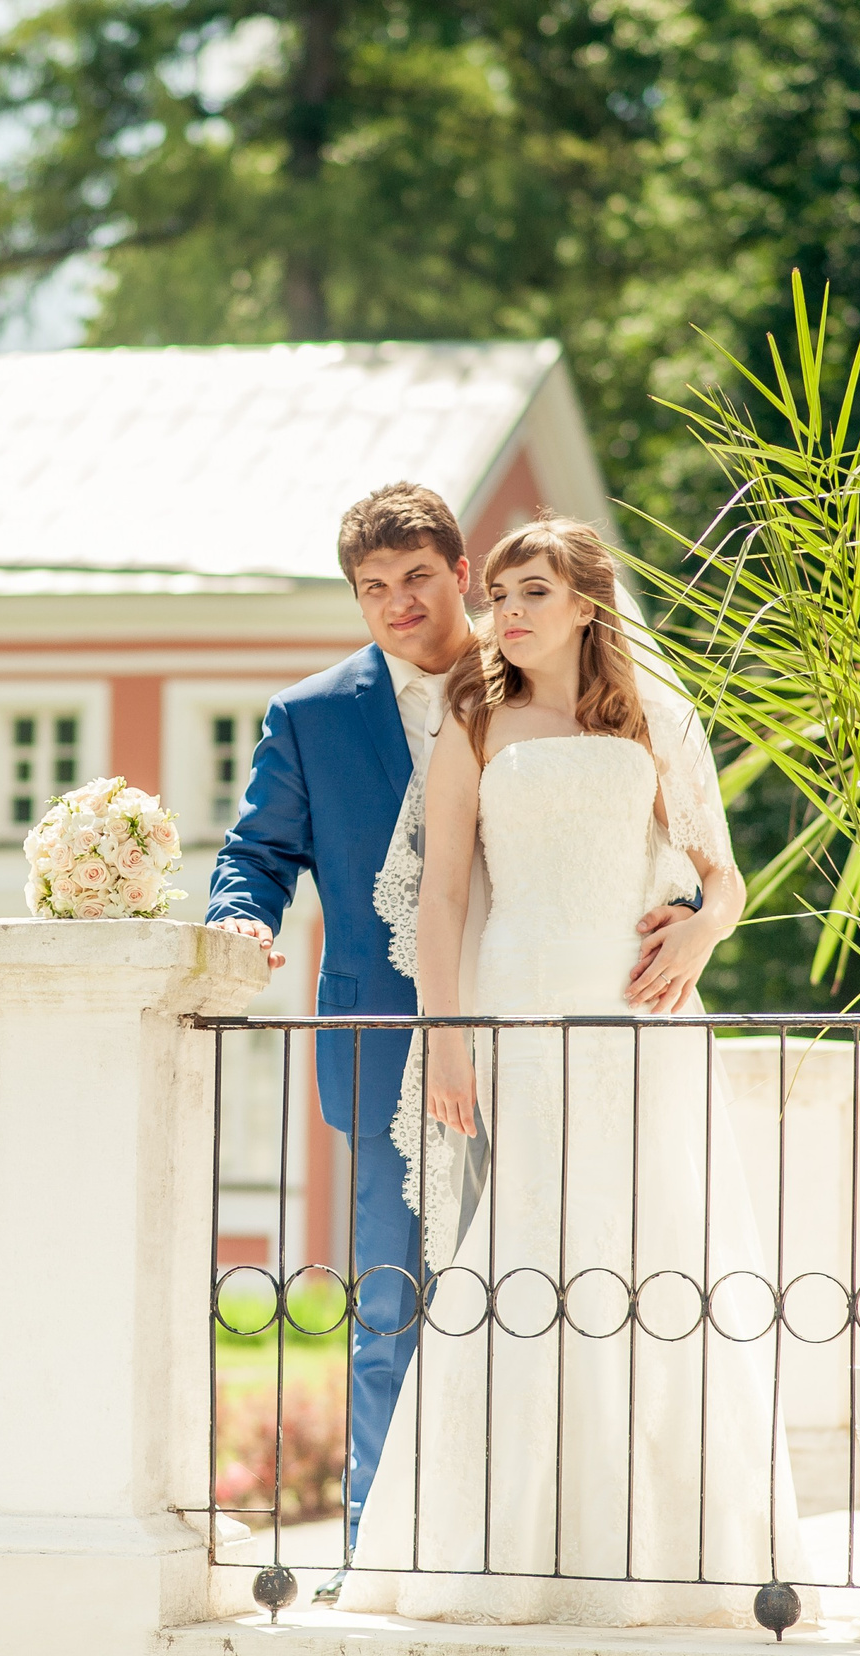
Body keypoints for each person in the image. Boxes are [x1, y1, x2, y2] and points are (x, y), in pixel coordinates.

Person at [205, 486, 693, 1593]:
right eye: (372, 590)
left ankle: (561, 1535)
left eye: (416, 579)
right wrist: (239, 918)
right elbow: (256, 852)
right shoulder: (311, 716)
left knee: (566, 1272)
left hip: (558, 1015)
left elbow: (677, 834)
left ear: (459, 572)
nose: (397, 605)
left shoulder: (551, 681)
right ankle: (385, 1547)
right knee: (395, 1292)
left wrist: (703, 921)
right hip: (391, 1038)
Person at [336, 515, 804, 1625]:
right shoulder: (476, 720)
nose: (508, 612)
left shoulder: (655, 717)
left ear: (588, 603)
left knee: (654, 1249)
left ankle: (657, 1555)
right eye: (500, 595)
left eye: (532, 591)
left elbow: (719, 874)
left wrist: (700, 932)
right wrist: (447, 1038)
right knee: (531, 1251)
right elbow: (443, 895)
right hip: (520, 1010)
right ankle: (502, 1545)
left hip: (637, 1013)